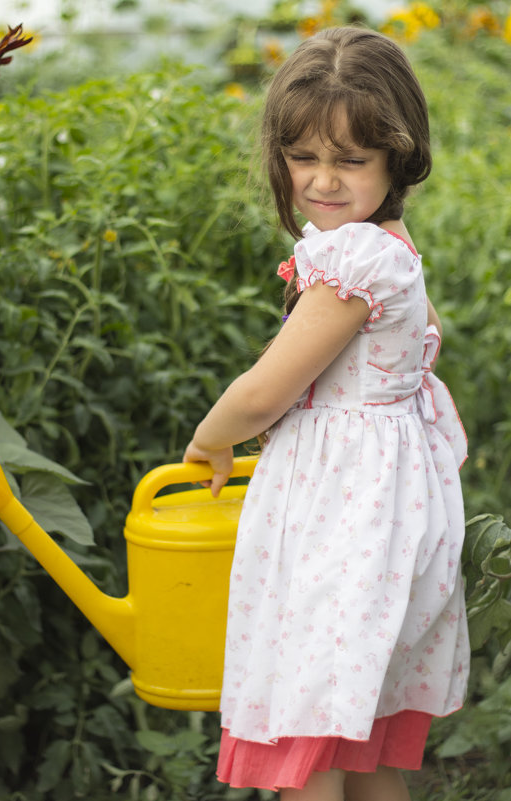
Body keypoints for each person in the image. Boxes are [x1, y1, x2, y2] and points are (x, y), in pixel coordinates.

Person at [183, 25, 469, 801]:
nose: (322, 181)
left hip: (345, 524)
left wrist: (211, 437)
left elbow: (263, 391)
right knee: (358, 740)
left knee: (307, 735)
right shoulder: (388, 242)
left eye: (350, 161)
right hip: (386, 510)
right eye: (303, 157)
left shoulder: (351, 264)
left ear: (396, 160)